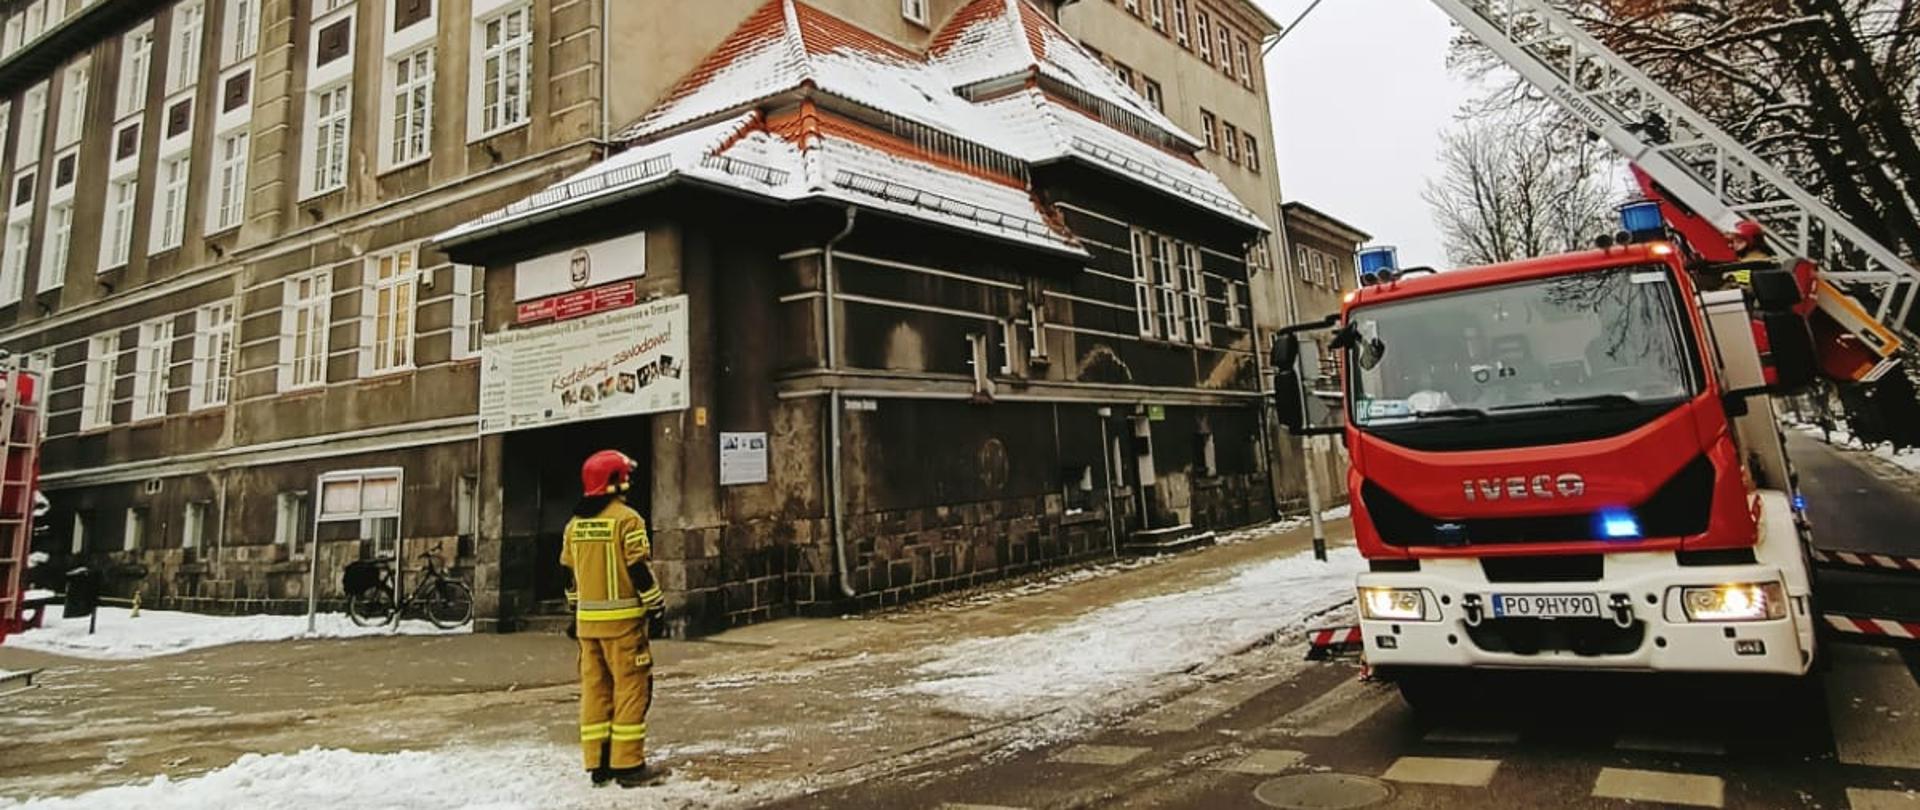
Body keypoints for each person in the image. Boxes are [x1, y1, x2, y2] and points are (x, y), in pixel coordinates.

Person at [562, 450, 667, 788]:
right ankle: (628, 765)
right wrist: (656, 606)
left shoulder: (574, 525)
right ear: (614, 481)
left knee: (595, 691)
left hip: (586, 628)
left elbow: (568, 574)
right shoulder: (628, 520)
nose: (629, 482)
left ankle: (598, 763)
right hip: (623, 628)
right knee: (632, 690)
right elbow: (638, 569)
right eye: (625, 476)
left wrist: (574, 611)